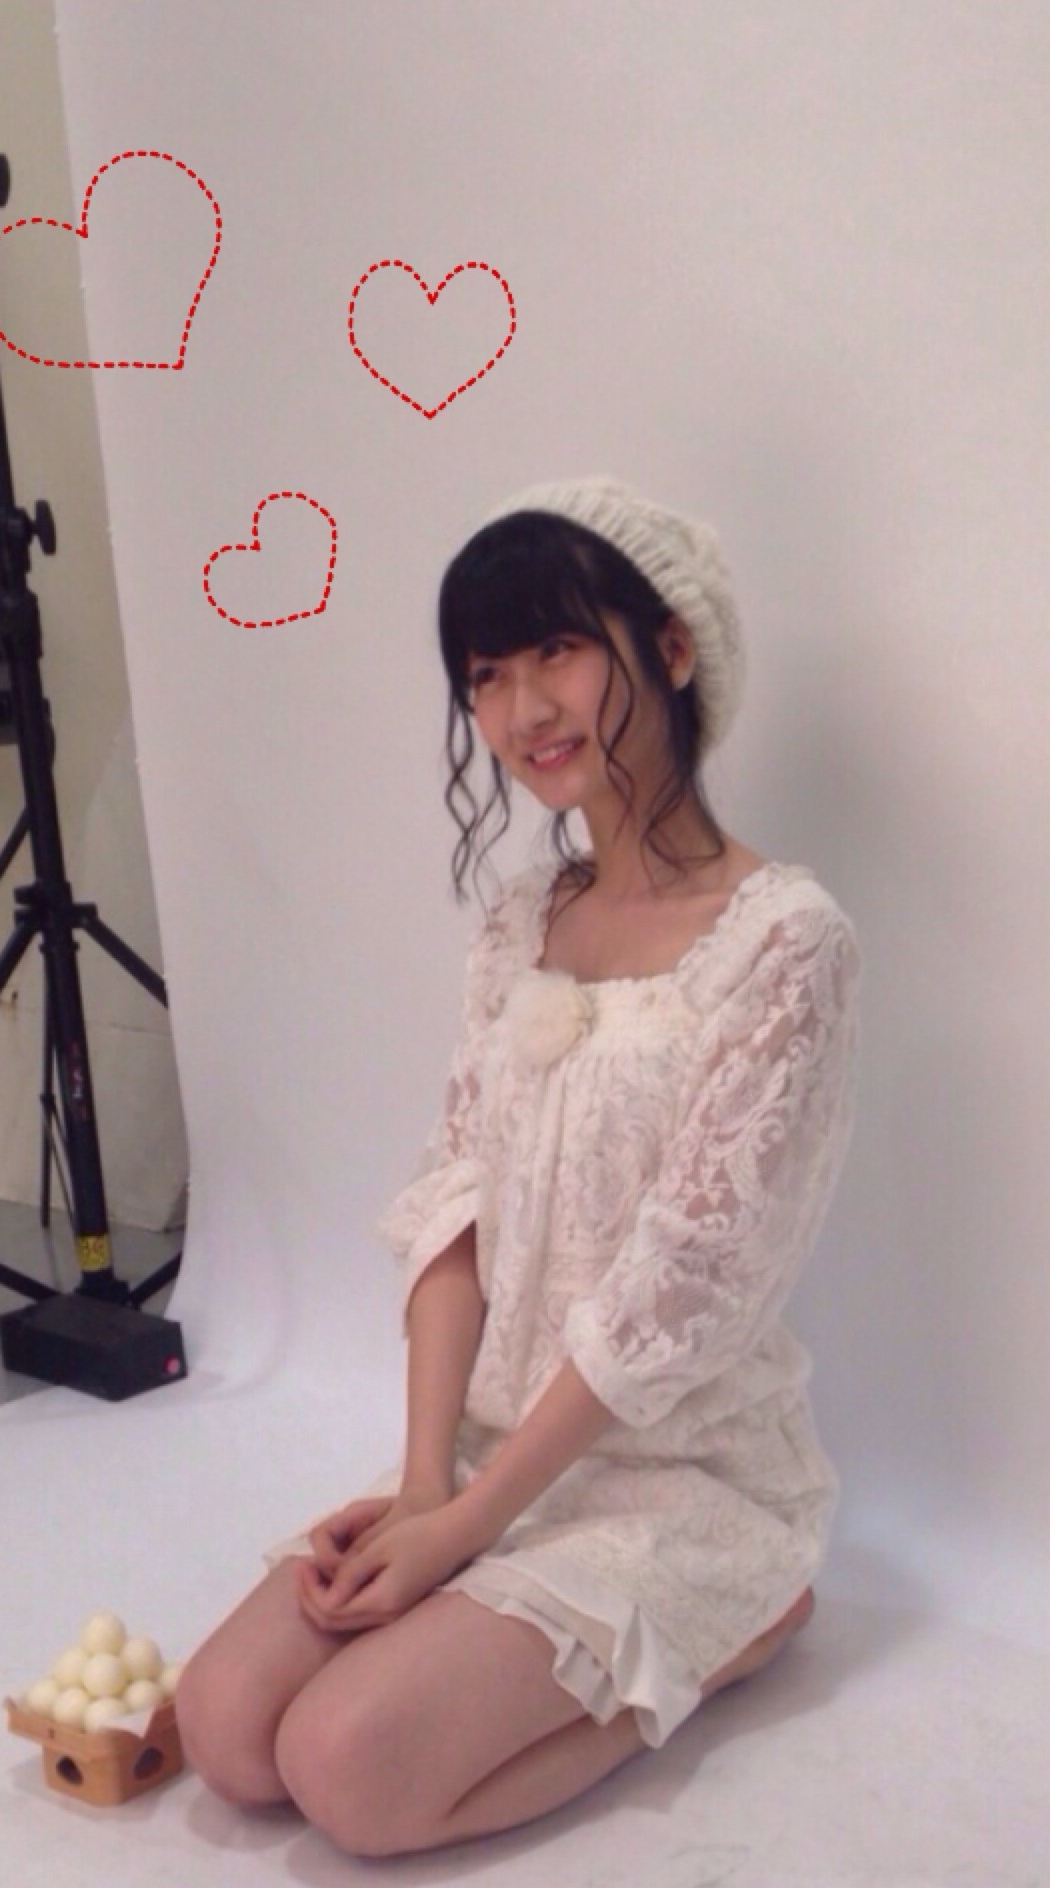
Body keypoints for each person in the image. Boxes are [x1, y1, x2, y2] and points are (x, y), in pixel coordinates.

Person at [175, 474, 863, 1858]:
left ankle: (737, 1618)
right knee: (226, 1730)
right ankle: (535, 1590)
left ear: (670, 649)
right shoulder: (516, 922)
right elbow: (457, 1206)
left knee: (346, 1773)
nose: (523, 710)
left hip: (676, 1472)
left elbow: (682, 1292)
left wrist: (470, 1529)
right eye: (487, 674)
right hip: (494, 1458)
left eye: (558, 650)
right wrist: (429, 1487)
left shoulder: (784, 943)